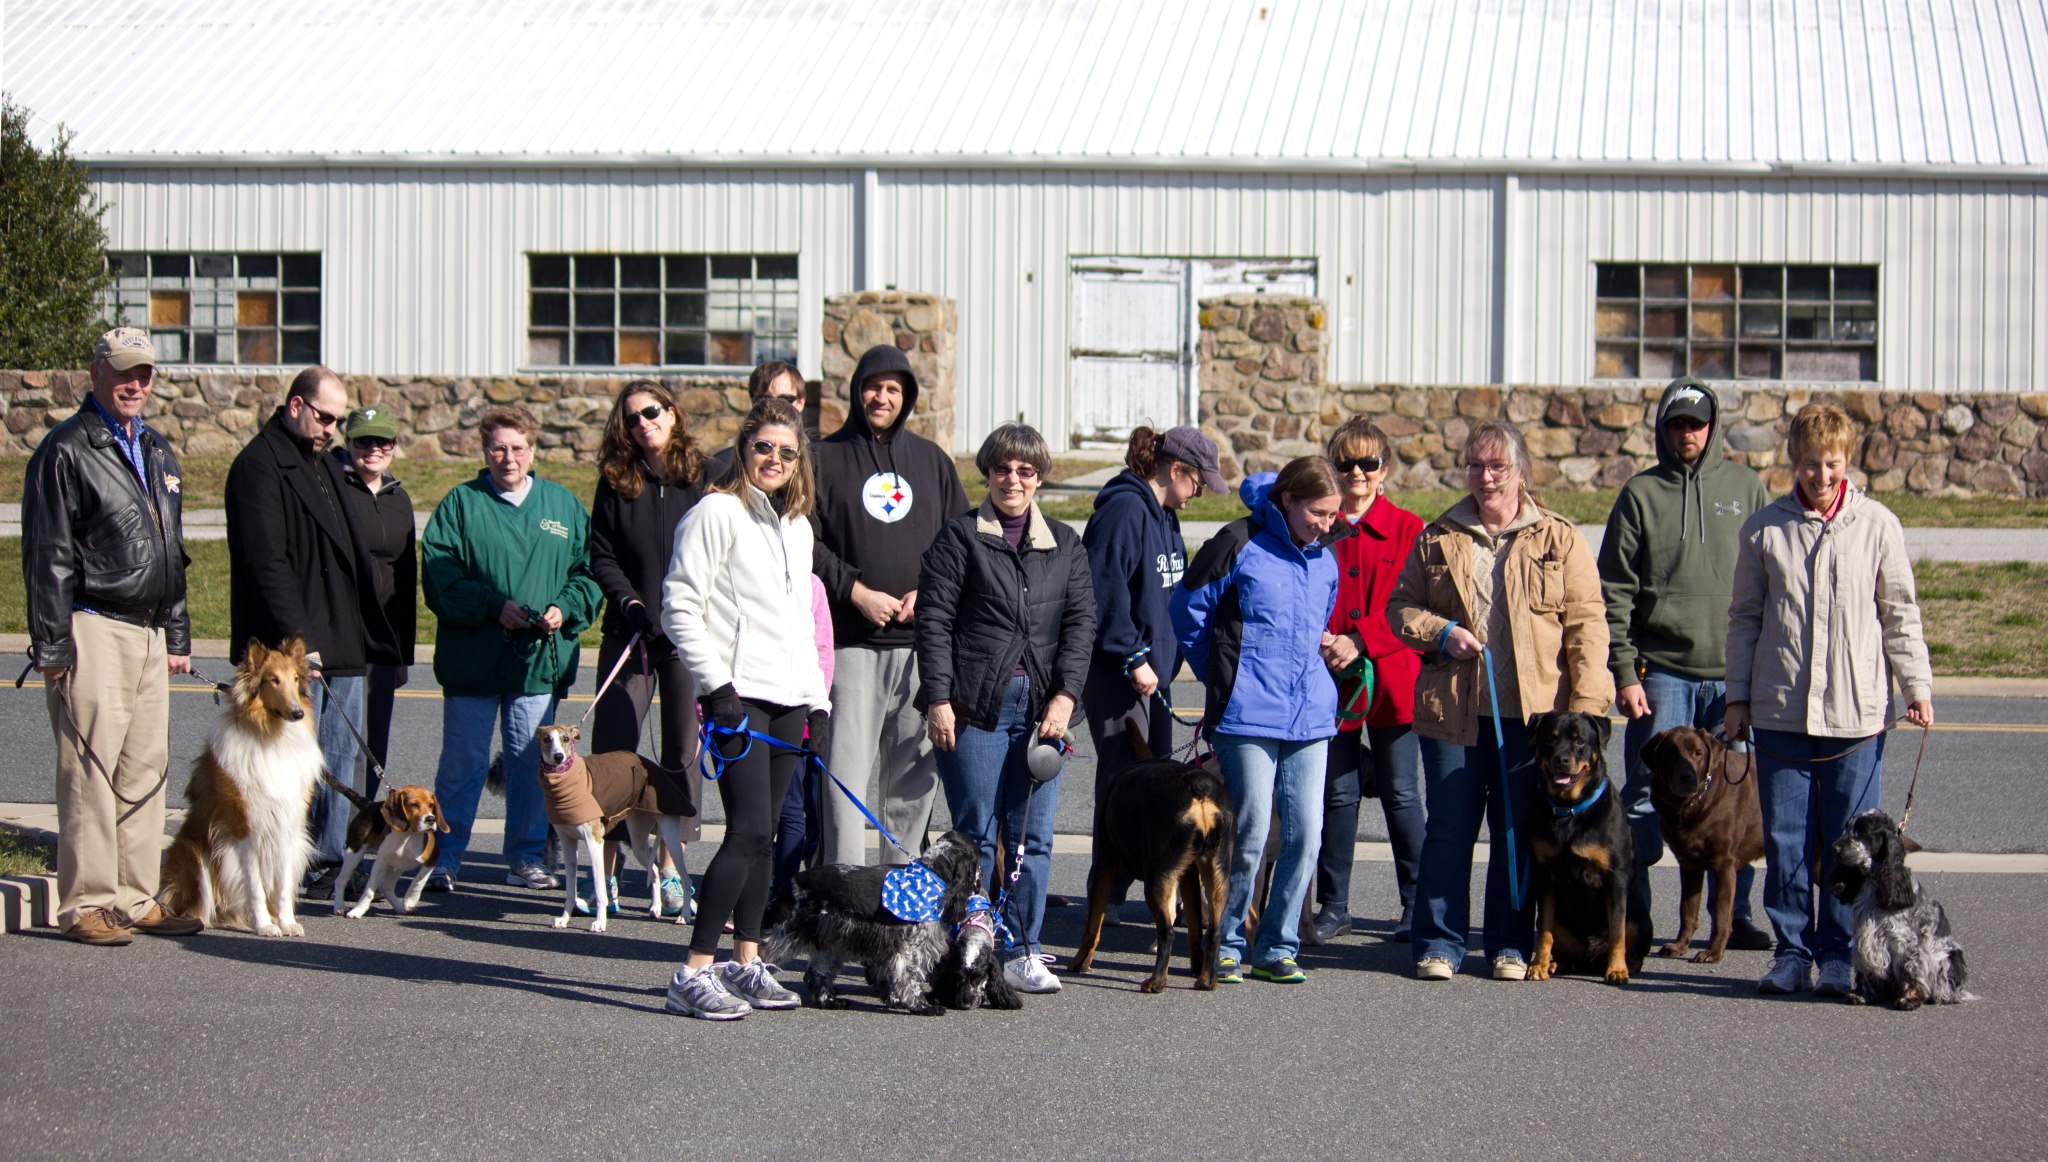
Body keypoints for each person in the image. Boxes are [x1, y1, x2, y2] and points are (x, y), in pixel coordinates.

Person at [1389, 419, 1613, 982]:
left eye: (1497, 467)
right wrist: (1441, 633)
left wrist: (1585, 711)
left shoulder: (1560, 538)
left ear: (1520, 472)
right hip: (1453, 715)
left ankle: (1508, 944)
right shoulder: (1439, 534)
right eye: (1474, 466)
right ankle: (1439, 943)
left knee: (1515, 832)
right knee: (1449, 830)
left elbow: (1587, 626)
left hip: (1534, 723)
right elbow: (1400, 609)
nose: (1484, 478)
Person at [1725, 402, 1934, 998]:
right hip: (1781, 709)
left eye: (1833, 463)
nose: (1822, 475)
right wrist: (1737, 697)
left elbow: (1899, 614)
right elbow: (1744, 618)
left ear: (1848, 461)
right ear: (1796, 462)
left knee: (1850, 847)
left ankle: (1840, 956)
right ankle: (1791, 952)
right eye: (1812, 463)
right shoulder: (1764, 528)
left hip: (1857, 715)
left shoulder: (1878, 525)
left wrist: (1916, 687)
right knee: (1787, 840)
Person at [22, 327, 203, 944]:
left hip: (150, 635)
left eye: (145, 374)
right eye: (124, 372)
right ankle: (87, 904)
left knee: (144, 771)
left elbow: (171, 551)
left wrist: (177, 636)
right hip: (92, 626)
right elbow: (47, 556)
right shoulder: (66, 449)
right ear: (96, 373)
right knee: (90, 770)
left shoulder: (155, 449)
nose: (135, 385)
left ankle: (134, 895)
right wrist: (52, 647)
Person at [660, 397, 830, 1020]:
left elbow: (800, 623)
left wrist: (818, 701)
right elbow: (679, 606)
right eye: (764, 447)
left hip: (789, 699)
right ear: (744, 448)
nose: (775, 460)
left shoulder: (799, 527)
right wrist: (716, 688)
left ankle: (747, 959)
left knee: (772, 838)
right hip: (739, 697)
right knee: (750, 830)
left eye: (788, 452)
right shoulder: (716, 512)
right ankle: (692, 971)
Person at [917, 422, 1096, 994]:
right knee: (975, 831)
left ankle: (1024, 948)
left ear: (1039, 477)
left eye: (1025, 471)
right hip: (974, 708)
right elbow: (935, 622)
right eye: (1001, 469)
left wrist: (1066, 697)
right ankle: (972, 948)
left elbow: (1080, 624)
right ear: (987, 473)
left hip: (1044, 711)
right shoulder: (959, 538)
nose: (1012, 479)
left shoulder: (1065, 544)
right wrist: (940, 700)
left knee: (1033, 837)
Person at [1599, 376, 1774, 950]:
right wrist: (1624, 672)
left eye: (1696, 423)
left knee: (1738, 795)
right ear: (1663, 429)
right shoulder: (1641, 495)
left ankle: (1737, 914)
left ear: (1712, 426)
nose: (1687, 433)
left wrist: (1759, 672)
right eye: (1676, 424)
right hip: (1663, 671)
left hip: (1734, 674)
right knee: (1650, 793)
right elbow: (1615, 591)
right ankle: (1637, 916)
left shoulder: (1746, 489)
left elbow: (1769, 583)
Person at [1172, 456, 1347, 985]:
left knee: (1307, 836)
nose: (1326, 524)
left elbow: (1321, 622)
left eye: (1333, 515)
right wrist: (1221, 675)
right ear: (1287, 500)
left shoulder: (1327, 560)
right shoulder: (1236, 541)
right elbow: (1186, 611)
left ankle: (1276, 945)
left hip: (1311, 714)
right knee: (1247, 833)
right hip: (1247, 715)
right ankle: (1225, 942)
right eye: (1317, 512)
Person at [224, 365, 392, 884]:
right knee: (288, 764)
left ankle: (330, 858)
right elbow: (265, 562)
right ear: (295, 406)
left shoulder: (323, 463)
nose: (330, 430)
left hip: (340, 634)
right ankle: (285, 863)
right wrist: (299, 648)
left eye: (337, 422)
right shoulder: (259, 466)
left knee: (338, 758)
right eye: (323, 417)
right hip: (295, 648)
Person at [422, 406, 600, 890]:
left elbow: (588, 574)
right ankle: (444, 855)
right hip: (474, 661)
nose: (508, 457)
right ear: (484, 451)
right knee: (464, 762)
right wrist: (490, 605)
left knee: (530, 763)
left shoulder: (561, 507)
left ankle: (526, 857)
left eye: (518, 447)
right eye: (498, 447)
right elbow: (440, 576)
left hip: (536, 665)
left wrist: (565, 607)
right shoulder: (461, 504)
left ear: (533, 450)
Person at [809, 345, 970, 866]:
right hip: (852, 645)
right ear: (857, 391)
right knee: (845, 784)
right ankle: (844, 901)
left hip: (922, 651)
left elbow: (959, 542)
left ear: (908, 398)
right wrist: (854, 590)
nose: (882, 397)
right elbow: (804, 539)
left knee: (911, 787)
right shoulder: (823, 459)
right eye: (873, 387)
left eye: (894, 389)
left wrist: (929, 591)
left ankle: (899, 911)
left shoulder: (932, 462)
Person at [587, 380, 707, 916]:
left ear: (673, 413)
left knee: (682, 754)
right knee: (614, 755)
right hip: (630, 633)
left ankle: (670, 869)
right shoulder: (616, 481)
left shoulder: (702, 478)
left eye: (651, 412)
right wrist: (630, 603)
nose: (643, 423)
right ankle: (606, 868)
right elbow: (602, 553)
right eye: (633, 418)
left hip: (685, 636)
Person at [1308, 417, 1426, 945]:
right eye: (1346, 463)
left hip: (1393, 677)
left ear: (1385, 469)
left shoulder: (1408, 528)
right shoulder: (1319, 524)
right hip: (1331, 678)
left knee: (1401, 793)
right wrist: (1328, 639)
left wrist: (1361, 638)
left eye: (1368, 463)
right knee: (1338, 793)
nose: (1357, 472)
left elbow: (1415, 607)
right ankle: (1334, 904)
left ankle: (1415, 901)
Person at [1081, 425, 1223, 778]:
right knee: (1124, 786)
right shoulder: (1124, 511)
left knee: (1156, 784)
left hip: (1152, 675)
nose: (1199, 493)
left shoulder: (1166, 516)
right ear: (1176, 470)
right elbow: (1100, 592)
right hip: (1119, 675)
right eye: (1199, 484)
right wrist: (1133, 655)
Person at [332, 405, 417, 801]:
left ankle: (360, 835)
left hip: (383, 639)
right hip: (341, 633)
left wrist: (403, 653)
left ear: (394, 446)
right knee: (337, 742)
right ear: (347, 443)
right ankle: (328, 842)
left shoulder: (399, 499)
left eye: (382, 441)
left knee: (372, 744)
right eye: (363, 440)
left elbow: (406, 577)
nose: (373, 449)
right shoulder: (331, 488)